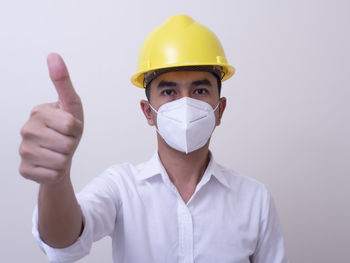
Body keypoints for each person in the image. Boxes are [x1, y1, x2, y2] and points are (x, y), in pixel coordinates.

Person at [19, 14, 288, 262]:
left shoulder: (255, 199)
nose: (185, 103)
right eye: (169, 92)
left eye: (200, 90)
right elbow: (63, 242)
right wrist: (56, 180)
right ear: (149, 112)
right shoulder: (121, 188)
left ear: (220, 110)